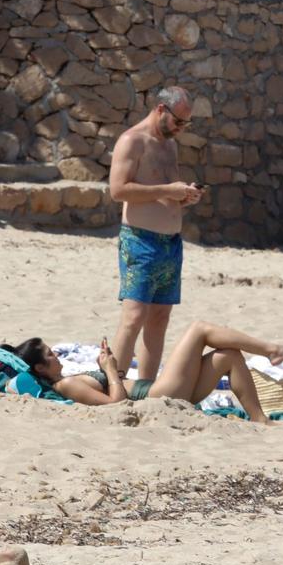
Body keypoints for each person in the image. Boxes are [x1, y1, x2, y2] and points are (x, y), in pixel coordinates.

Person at [107, 86, 203, 389]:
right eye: (178, 121)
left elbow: (164, 188)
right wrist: (167, 191)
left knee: (159, 318)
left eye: (186, 124)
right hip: (140, 240)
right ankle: (116, 384)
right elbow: (118, 190)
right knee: (134, 317)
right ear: (161, 109)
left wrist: (183, 197)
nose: (181, 129)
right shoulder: (132, 141)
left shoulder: (170, 145)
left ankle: (144, 386)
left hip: (170, 243)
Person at [9, 324, 283, 424]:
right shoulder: (67, 385)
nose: (55, 354)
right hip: (157, 395)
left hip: (161, 391)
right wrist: (110, 371)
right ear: (40, 369)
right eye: (49, 354)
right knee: (199, 329)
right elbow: (115, 406)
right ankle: (271, 350)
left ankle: (260, 420)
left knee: (229, 356)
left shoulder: (69, 378)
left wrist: (107, 368)